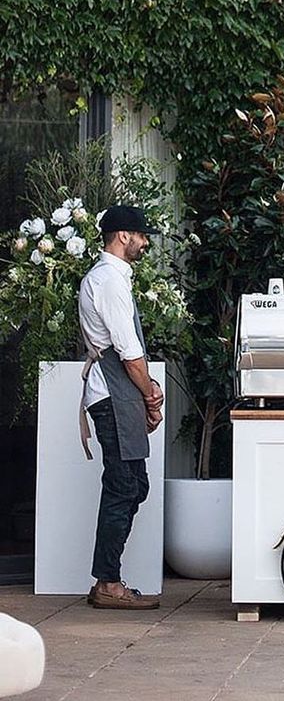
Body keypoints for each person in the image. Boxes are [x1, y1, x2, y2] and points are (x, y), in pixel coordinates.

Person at [78, 205, 164, 610]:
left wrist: (148, 390)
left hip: (117, 394)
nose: (145, 242)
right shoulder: (110, 280)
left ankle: (106, 578)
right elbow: (129, 354)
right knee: (123, 486)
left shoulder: (112, 278)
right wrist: (150, 394)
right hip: (113, 395)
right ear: (123, 236)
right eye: (141, 235)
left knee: (132, 485)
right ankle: (108, 583)